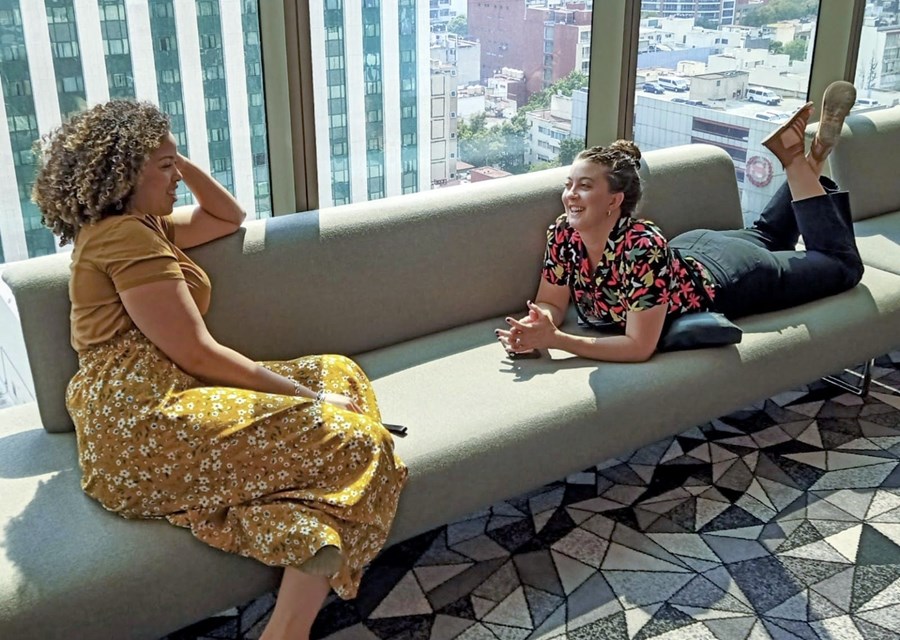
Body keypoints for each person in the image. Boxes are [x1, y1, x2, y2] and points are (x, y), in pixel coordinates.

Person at [32, 100, 407, 640]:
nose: (175, 176)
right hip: (141, 422)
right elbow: (199, 353)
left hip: (168, 394)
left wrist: (173, 161)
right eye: (163, 166)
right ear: (125, 173)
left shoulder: (145, 224)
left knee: (337, 371)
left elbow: (228, 217)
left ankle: (296, 548)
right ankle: (289, 627)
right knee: (360, 443)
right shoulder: (125, 237)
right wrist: (310, 402)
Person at [497, 81, 863, 363]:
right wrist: (538, 323)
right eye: (570, 184)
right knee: (768, 234)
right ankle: (812, 155)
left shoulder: (641, 247)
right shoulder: (565, 232)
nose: (571, 195)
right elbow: (552, 301)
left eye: (585, 186)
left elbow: (639, 346)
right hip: (689, 251)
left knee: (842, 266)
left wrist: (557, 341)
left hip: (732, 274)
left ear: (615, 200)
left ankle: (798, 161)